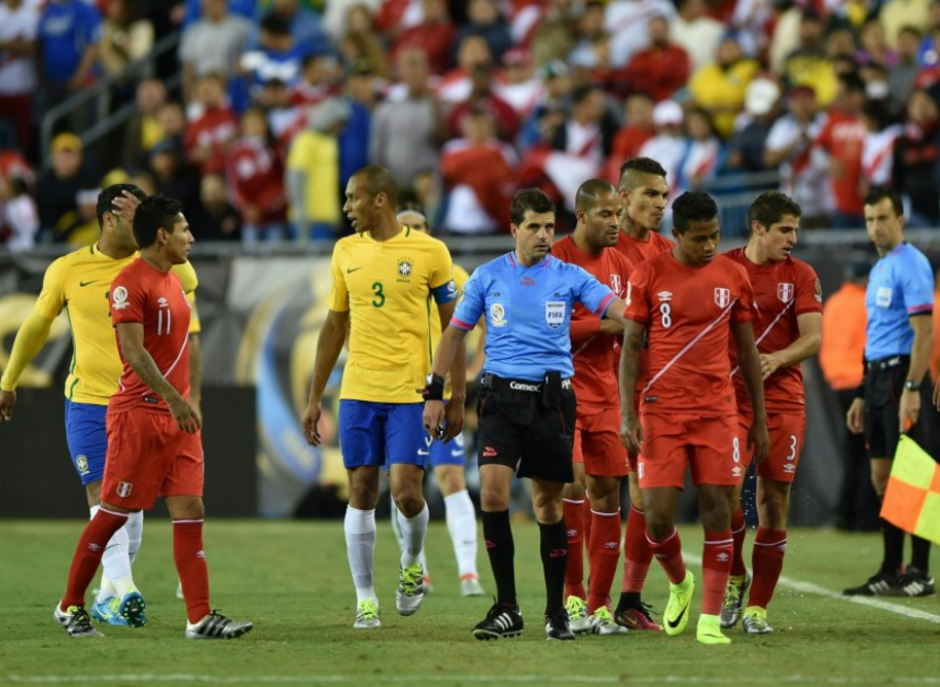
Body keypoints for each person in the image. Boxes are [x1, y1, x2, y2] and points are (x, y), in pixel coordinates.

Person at [423, 188, 631, 641]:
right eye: (534, 227)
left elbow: (620, 310)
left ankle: (556, 612)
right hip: (500, 400)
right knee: (492, 495)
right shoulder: (487, 276)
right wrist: (436, 391)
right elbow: (454, 334)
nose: (543, 235)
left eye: (549, 227)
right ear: (514, 229)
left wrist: (650, 317)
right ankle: (507, 607)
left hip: (552, 401)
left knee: (548, 504)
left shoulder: (570, 276)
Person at [0, 184, 199, 628]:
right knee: (103, 495)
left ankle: (108, 595)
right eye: (134, 216)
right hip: (89, 401)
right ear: (109, 219)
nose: (144, 225)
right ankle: (126, 590)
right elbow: (36, 326)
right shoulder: (68, 269)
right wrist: (8, 381)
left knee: (130, 509)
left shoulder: (153, 266)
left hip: (143, 406)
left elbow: (188, 284)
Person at [54, 195, 252, 640]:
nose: (192, 238)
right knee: (112, 513)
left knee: (190, 508)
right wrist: (174, 399)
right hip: (139, 414)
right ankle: (69, 606)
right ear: (163, 236)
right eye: (184, 230)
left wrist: (185, 400)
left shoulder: (174, 280)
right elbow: (132, 352)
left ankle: (199, 617)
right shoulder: (128, 283)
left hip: (176, 417)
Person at [301, 166, 465, 629]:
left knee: (407, 493)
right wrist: (314, 397)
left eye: (353, 198)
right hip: (358, 390)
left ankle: (412, 561)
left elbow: (455, 328)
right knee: (361, 490)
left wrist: (453, 396)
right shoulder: (345, 250)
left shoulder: (430, 251)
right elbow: (334, 326)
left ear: (380, 200)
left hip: (412, 393)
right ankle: (366, 598)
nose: (346, 207)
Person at [619, 190, 769, 646]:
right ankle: (680, 582)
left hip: (717, 412)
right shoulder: (649, 274)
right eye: (700, 238)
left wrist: (759, 419)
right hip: (661, 411)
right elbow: (631, 348)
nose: (709, 246)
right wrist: (627, 413)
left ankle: (709, 620)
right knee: (657, 518)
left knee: (718, 509)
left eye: (715, 237)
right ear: (678, 234)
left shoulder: (733, 276)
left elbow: (747, 351)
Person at [720, 191, 823, 634]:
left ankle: (757, 608)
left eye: (795, 230)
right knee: (724, 494)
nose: (793, 238)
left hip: (782, 400)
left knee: (773, 502)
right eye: (785, 229)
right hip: (731, 399)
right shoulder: (724, 268)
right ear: (758, 227)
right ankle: (735, 576)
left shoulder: (801, 274)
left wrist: (777, 359)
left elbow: (813, 337)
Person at [388, 205, 486, 598]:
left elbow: (485, 324)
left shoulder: (453, 274)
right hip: (397, 395)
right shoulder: (385, 273)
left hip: (440, 395)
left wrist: (475, 368)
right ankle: (419, 571)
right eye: (405, 227)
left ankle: (468, 573)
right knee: (403, 486)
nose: (413, 232)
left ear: (430, 230)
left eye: (418, 226)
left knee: (451, 478)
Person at [846, 186, 938, 597]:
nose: (875, 227)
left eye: (882, 218)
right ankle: (890, 569)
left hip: (903, 377)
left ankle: (920, 571)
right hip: (878, 381)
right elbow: (875, 336)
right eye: (869, 219)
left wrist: (914, 387)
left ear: (901, 220)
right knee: (882, 477)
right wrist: (862, 391)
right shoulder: (880, 267)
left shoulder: (912, 264)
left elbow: (924, 333)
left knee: (914, 475)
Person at [551, 179, 632, 636]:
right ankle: (573, 596)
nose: (615, 223)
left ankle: (601, 606)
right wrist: (600, 326)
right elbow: (544, 325)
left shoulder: (620, 264)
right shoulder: (556, 259)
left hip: (606, 394)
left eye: (618, 214)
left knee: (607, 494)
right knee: (572, 484)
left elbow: (632, 324)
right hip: (562, 392)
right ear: (581, 216)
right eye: (606, 214)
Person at [610, 156, 675, 631]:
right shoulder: (601, 248)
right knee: (585, 489)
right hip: (598, 384)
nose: (659, 203)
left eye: (663, 194)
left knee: (644, 496)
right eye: (649, 194)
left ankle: (629, 598)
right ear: (623, 197)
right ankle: (582, 600)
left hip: (652, 390)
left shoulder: (670, 253)